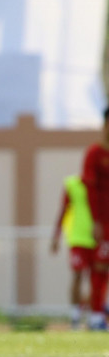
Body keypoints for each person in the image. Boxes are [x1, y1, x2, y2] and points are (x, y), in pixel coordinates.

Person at [50, 175, 95, 329]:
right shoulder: (73, 185)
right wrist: (56, 235)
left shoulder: (103, 183)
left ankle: (93, 315)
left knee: (98, 280)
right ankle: (75, 316)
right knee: (77, 276)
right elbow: (63, 210)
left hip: (99, 238)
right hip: (78, 238)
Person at [81, 108, 109, 330]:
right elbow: (90, 189)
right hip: (104, 221)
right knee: (100, 267)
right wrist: (96, 221)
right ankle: (96, 317)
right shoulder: (94, 153)